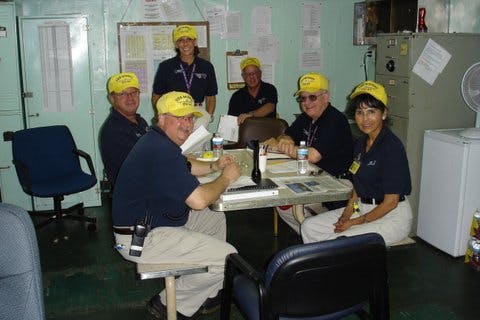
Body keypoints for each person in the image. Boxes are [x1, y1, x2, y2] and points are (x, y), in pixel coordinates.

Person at [111, 91, 241, 319]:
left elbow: (186, 165)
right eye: (179, 117)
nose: (186, 124)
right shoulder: (160, 149)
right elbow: (199, 200)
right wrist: (226, 178)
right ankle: (167, 302)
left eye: (190, 117)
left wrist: (214, 167)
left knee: (214, 216)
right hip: (139, 239)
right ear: (161, 118)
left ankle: (208, 290)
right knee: (229, 259)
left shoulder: (158, 141)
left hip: (152, 221)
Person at [301, 81, 413, 246]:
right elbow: (357, 187)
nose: (365, 119)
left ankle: (339, 268)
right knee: (309, 227)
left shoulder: (391, 147)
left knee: (337, 241)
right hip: (362, 207)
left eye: (371, 112)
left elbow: (391, 202)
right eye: (360, 112)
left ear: (384, 113)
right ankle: (324, 269)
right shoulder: (361, 143)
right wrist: (345, 215)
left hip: (391, 217)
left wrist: (353, 223)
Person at [264, 72, 353, 234]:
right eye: (303, 98)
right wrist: (285, 139)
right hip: (313, 175)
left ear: (325, 96)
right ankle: (313, 238)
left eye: (312, 97)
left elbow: (313, 155)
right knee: (283, 204)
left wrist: (285, 147)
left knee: (289, 204)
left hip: (337, 182)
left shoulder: (335, 120)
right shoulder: (306, 117)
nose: (306, 103)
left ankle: (319, 239)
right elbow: (287, 133)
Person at [151, 25, 217, 130]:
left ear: (195, 42)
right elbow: (156, 95)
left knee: (197, 146)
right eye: (181, 40)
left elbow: (211, 97)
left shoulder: (206, 66)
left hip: (198, 113)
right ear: (176, 44)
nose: (185, 43)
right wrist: (160, 116)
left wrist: (208, 117)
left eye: (189, 39)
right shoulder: (165, 66)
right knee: (176, 146)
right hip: (174, 113)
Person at [99, 72, 149, 187]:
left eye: (133, 92)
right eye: (122, 94)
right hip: (133, 191)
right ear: (111, 98)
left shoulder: (140, 121)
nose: (130, 98)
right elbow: (143, 165)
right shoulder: (113, 131)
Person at [227, 57, 278, 125]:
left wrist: (250, 115)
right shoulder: (236, 96)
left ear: (260, 74)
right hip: (245, 135)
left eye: (254, 73)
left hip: (269, 133)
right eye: (248, 74)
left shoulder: (270, 89)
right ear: (243, 77)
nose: (251, 77)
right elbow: (231, 121)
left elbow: (269, 107)